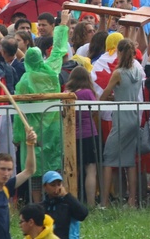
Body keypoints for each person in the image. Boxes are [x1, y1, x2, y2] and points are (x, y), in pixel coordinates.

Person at [99, 39, 144, 208]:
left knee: (109, 158)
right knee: (129, 160)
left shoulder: (118, 72)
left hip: (121, 118)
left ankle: (104, 202)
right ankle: (132, 200)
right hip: (134, 117)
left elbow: (105, 93)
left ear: (119, 52)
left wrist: (105, 98)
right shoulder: (138, 71)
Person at [65, 66, 99, 207]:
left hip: (71, 136)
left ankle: (71, 202)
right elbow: (95, 109)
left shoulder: (66, 94)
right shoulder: (87, 93)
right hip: (89, 133)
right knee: (90, 169)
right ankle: (90, 203)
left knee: (72, 170)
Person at [41, 170, 88, 239]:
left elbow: (83, 214)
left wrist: (66, 195)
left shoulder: (68, 204)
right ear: (45, 187)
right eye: (53, 185)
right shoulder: (41, 207)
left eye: (59, 184)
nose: (57, 188)